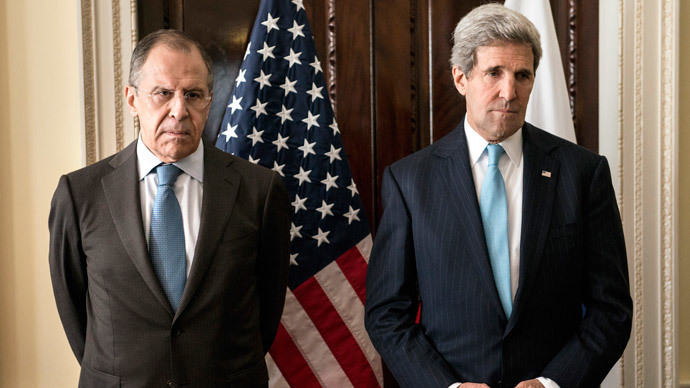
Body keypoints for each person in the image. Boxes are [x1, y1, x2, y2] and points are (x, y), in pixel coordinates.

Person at [364, 4, 632, 388]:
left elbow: (612, 308)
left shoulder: (583, 173)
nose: (509, 92)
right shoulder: (410, 181)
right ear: (461, 78)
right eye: (494, 72)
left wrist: (554, 383)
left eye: (522, 75)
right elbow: (386, 313)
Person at [49, 29, 290, 387]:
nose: (179, 110)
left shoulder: (260, 190)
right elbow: (75, 312)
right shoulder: (79, 193)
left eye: (193, 94)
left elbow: (267, 310)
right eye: (163, 93)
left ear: (209, 100)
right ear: (132, 100)